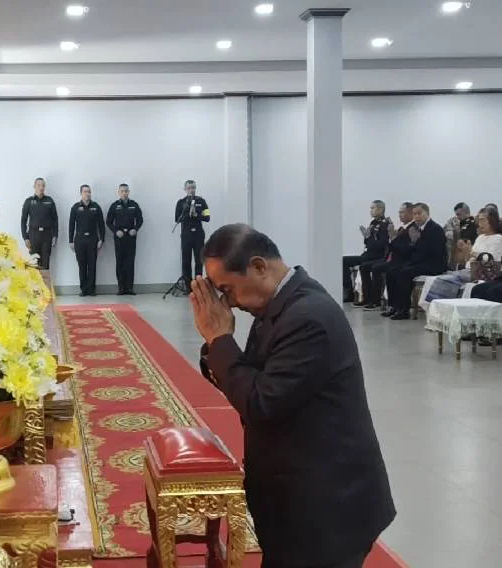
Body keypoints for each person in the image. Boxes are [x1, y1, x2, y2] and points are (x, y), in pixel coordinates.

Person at [189, 224, 395, 568]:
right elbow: (250, 377)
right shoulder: (280, 304)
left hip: (326, 506)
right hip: (297, 494)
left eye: (227, 289)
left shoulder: (308, 317)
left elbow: (259, 402)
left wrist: (219, 339)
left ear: (258, 266)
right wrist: (217, 345)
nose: (228, 302)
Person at [420, 206, 502, 307]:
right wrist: (466, 252)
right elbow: (469, 259)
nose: (480, 224)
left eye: (483, 220)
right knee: (439, 278)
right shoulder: (480, 237)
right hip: (470, 269)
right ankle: (436, 306)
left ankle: (443, 307)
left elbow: (490, 260)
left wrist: (471, 252)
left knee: (445, 280)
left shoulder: (498, 238)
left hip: (483, 272)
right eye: (479, 220)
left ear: (492, 221)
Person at [384, 202, 447, 320]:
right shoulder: (417, 229)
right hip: (420, 261)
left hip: (433, 264)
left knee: (405, 272)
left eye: (419, 213)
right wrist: (412, 244)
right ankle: (394, 306)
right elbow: (411, 250)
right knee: (392, 271)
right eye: (414, 214)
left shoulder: (435, 229)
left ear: (427, 213)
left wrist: (414, 245)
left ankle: (404, 309)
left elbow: (432, 251)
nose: (416, 216)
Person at [343, 200, 391, 304]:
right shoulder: (373, 223)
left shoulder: (384, 224)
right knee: (343, 261)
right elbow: (368, 242)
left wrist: (369, 238)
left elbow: (382, 244)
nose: (371, 211)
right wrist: (366, 237)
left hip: (376, 256)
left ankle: (371, 299)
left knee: (364, 266)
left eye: (373, 208)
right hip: (367, 254)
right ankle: (349, 292)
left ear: (380, 209)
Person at [106, 183, 143, 295]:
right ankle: (121, 288)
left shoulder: (134, 205)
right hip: (119, 238)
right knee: (120, 262)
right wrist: (116, 231)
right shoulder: (114, 206)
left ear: (129, 192)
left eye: (126, 191)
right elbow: (108, 222)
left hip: (131, 237)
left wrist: (135, 229)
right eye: (122, 191)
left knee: (130, 262)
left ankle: (130, 288)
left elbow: (140, 220)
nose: (124, 193)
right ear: (118, 192)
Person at [68, 184, 105, 296]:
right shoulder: (75, 207)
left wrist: (101, 239)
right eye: (85, 192)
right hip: (79, 240)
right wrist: (70, 241)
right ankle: (84, 289)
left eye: (89, 191)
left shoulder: (96, 207)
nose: (87, 194)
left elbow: (101, 224)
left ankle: (92, 289)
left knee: (92, 265)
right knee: (82, 265)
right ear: (81, 193)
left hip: (93, 239)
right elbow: (71, 225)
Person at [175, 180, 210, 281]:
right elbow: (177, 219)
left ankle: (198, 283)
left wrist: (196, 215)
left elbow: (207, 218)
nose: (191, 190)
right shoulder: (181, 202)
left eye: (193, 187)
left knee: (199, 260)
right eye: (189, 188)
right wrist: (187, 212)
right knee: (186, 260)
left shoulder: (201, 201)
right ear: (185, 189)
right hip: (186, 235)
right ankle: (188, 284)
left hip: (198, 235)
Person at [20, 177, 59, 269]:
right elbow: (23, 220)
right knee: (33, 264)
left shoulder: (49, 200)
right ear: (34, 186)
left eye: (43, 185)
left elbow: (55, 219)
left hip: (47, 235)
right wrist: (25, 238)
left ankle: (45, 279)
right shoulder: (29, 201)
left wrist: (55, 235)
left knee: (45, 263)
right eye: (39, 185)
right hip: (33, 235)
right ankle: (35, 279)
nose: (41, 187)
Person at [444, 202, 477, 269]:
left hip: (467, 259)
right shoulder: (461, 225)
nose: (457, 217)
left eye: (459, 215)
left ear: (466, 212)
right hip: (457, 260)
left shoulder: (473, 225)